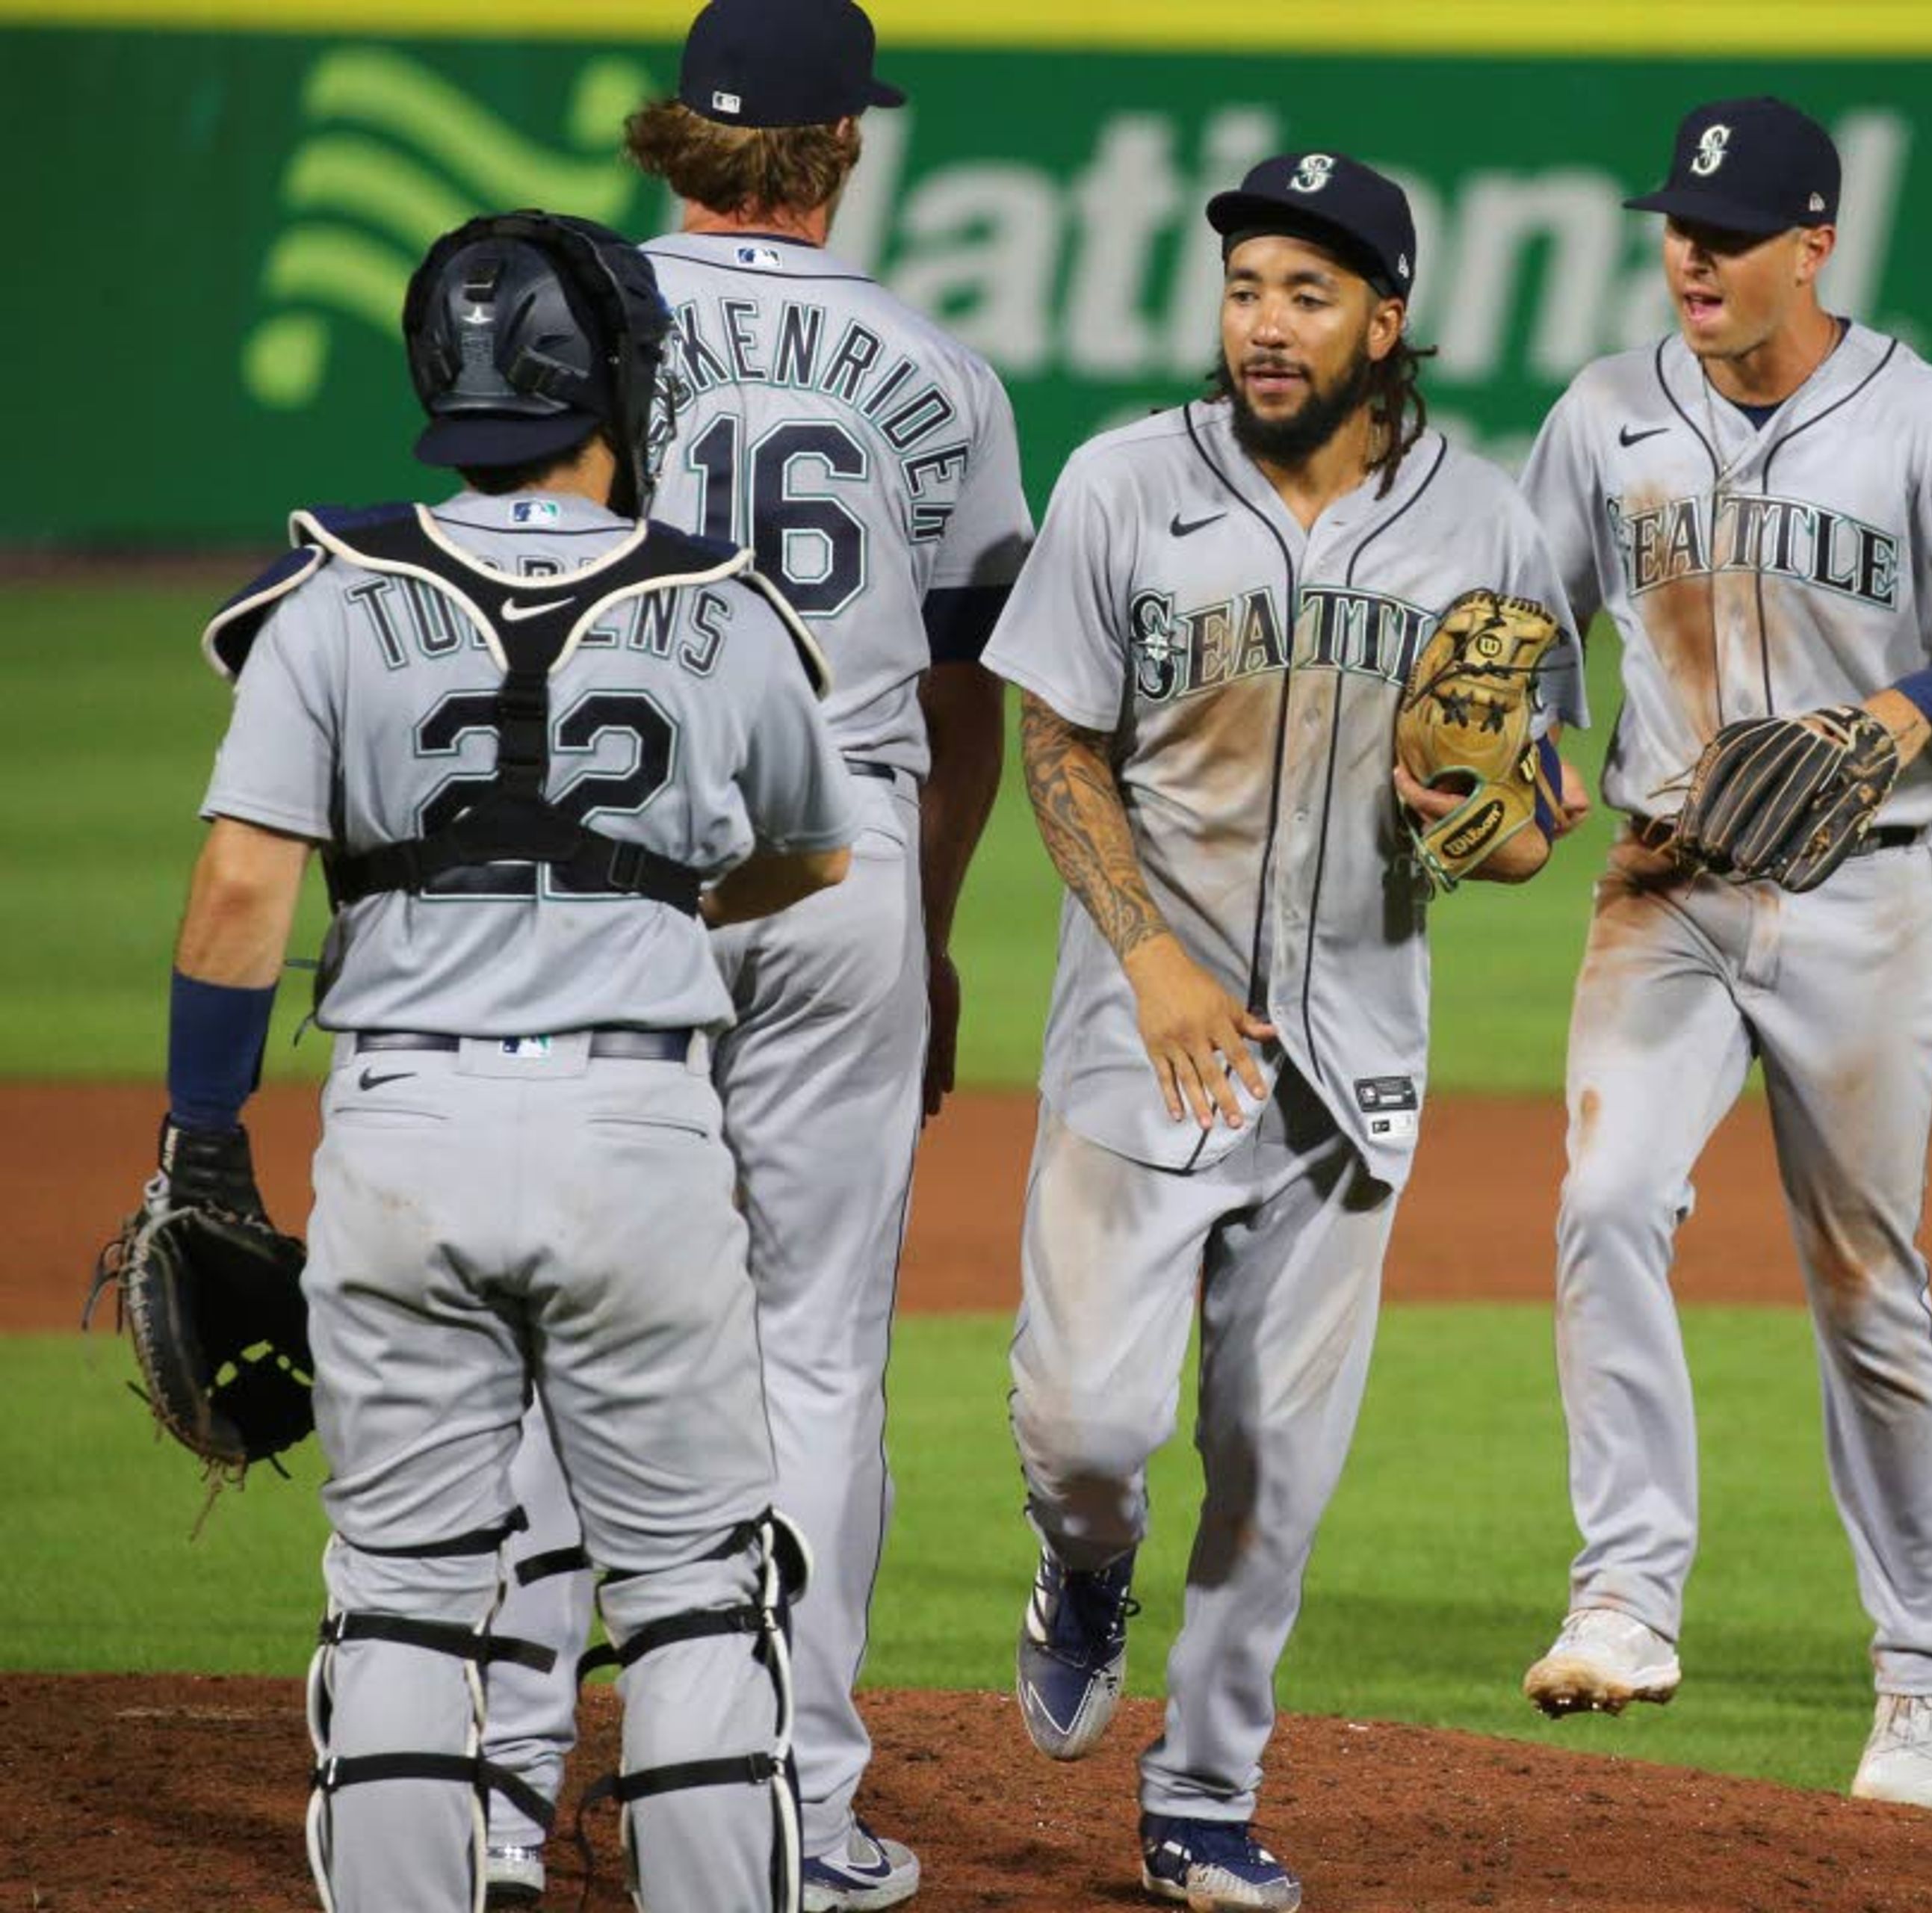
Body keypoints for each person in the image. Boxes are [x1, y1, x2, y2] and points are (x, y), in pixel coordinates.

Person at [173, 209, 855, 1909]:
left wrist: (200, 1141)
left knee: (402, 1588)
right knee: (696, 1589)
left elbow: (241, 888)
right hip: (638, 1128)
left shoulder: (330, 595)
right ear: (616, 378)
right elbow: (816, 857)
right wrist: (662, 897)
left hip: (405, 1124)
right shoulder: (722, 600)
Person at [982, 150, 1585, 1911]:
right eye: (1247, 286)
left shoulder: (1488, 525)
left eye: (1308, 293)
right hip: (1143, 1031)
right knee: (1090, 1424)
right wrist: (1152, 954)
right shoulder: (1122, 484)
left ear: (1385, 322)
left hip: (1357, 1057)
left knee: (1275, 1467)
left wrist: (1495, 823)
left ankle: (1201, 1794)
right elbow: (1055, 741)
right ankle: (1084, 1567)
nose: (1264, 322)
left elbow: (1533, 795)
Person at [479, 4, 1030, 1905]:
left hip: (609, 850)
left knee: (555, 1308)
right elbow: (972, 691)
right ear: (839, 149)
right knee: (811, 1347)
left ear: (684, 141)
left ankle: (482, 1787)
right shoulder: (941, 369)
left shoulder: (570, 328)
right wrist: (933, 921)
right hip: (849, 849)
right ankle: (777, 1801)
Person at [1513, 96, 1932, 1808]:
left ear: (1815, 240)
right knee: (1607, 1198)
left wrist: (1908, 707)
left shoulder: (1931, 421)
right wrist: (1538, 772)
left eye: (1730, 227)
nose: (1690, 252)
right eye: (1676, 224)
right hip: (1670, 885)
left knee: (1867, 1289)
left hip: (1867, 889)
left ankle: (1929, 1672)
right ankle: (1626, 1590)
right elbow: (1528, 636)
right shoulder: (1605, 414)